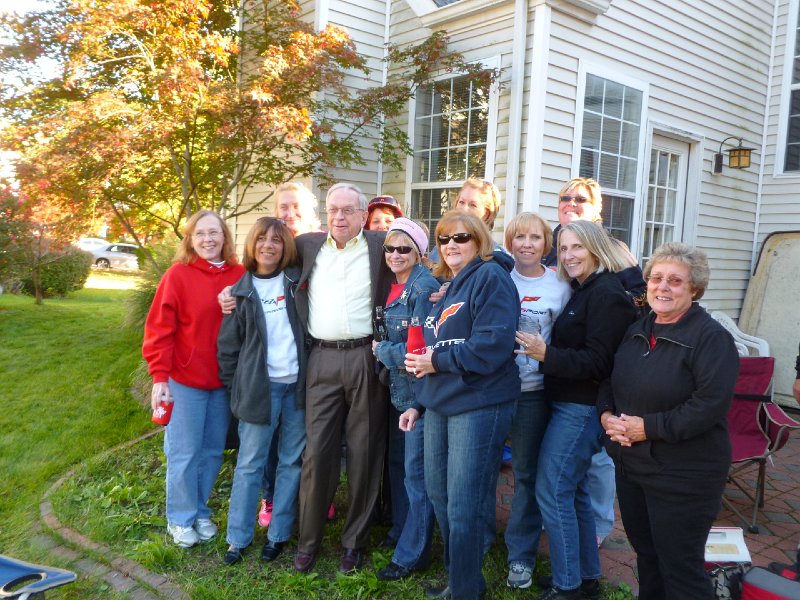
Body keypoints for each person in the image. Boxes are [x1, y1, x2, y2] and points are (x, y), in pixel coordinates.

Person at [598, 242, 739, 600]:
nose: (662, 286)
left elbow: (709, 405)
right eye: (656, 278)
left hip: (684, 474)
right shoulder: (637, 328)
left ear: (694, 288)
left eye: (675, 281)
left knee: (681, 568)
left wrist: (647, 427)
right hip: (633, 467)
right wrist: (607, 416)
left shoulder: (711, 338)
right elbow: (608, 380)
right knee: (648, 557)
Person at [405, 211, 519, 600]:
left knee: (464, 503)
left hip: (479, 403)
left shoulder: (492, 277)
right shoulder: (450, 286)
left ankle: (467, 589)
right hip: (440, 403)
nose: (451, 245)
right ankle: (458, 579)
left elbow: (493, 346)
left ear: (479, 240)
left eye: (461, 237)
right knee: (440, 494)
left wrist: (436, 363)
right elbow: (438, 346)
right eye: (443, 239)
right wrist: (419, 405)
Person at [524, 220, 637, 600]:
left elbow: (600, 363)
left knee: (552, 490)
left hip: (583, 407)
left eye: (577, 248)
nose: (569, 256)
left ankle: (567, 585)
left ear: (594, 249)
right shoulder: (584, 289)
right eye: (564, 248)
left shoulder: (607, 294)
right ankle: (586, 577)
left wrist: (546, 355)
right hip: (568, 403)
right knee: (573, 494)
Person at [293, 183, 392, 574]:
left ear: (363, 213)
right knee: (317, 453)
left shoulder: (381, 246)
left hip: (365, 357)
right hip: (320, 358)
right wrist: (231, 292)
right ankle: (308, 540)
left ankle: (354, 541)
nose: (339, 217)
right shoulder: (306, 246)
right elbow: (258, 262)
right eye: (333, 209)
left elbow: (431, 258)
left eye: (348, 210)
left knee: (365, 452)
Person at [542, 176, 646, 546]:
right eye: (564, 198)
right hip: (561, 387)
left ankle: (596, 535)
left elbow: (637, 300)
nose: (570, 202)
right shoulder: (557, 255)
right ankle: (582, 545)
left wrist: (546, 355)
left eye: (580, 199)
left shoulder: (611, 267)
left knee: (589, 470)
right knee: (571, 483)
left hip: (587, 398)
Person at [142, 210, 244, 548]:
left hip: (221, 382)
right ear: (190, 239)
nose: (207, 240)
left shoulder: (239, 274)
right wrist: (160, 377)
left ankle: (200, 511)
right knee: (184, 453)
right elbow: (159, 330)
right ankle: (180, 518)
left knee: (213, 451)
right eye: (200, 234)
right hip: (184, 380)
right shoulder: (178, 275)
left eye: (214, 233)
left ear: (225, 237)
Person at [216, 217, 307, 565]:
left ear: (286, 247)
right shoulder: (240, 293)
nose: (269, 245)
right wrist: (237, 388)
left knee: (290, 462)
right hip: (260, 390)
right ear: (252, 245)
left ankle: (278, 534)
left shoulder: (297, 282)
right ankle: (237, 538)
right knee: (250, 464)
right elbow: (228, 349)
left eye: (277, 240)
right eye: (262, 239)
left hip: (296, 387)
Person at [502, 212, 571, 589]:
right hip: (492, 392)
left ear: (546, 245)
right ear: (509, 242)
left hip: (532, 393)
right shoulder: (497, 278)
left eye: (534, 237)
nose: (526, 244)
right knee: (479, 469)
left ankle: (521, 556)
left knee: (526, 474)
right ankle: (477, 541)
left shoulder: (560, 285)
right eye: (519, 237)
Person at [371, 218, 440, 581]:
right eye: (390, 248)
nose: (396, 255)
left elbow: (421, 350)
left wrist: (382, 350)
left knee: (416, 474)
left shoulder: (423, 287)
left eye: (405, 249)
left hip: (418, 394)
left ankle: (414, 553)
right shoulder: (392, 284)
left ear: (419, 252)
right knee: (400, 465)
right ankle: (401, 530)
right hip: (396, 391)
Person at [257, 182, 327, 530]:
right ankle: (270, 495)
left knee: (314, 431)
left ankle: (312, 494)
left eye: (297, 208)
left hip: (319, 353)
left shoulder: (323, 245)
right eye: (284, 207)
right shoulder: (271, 248)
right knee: (275, 432)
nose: (290, 214)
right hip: (280, 358)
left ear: (311, 213)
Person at [428, 178, 503, 263]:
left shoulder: (495, 257)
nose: (464, 209)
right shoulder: (440, 250)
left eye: (473, 205)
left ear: (487, 213)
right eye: (461, 202)